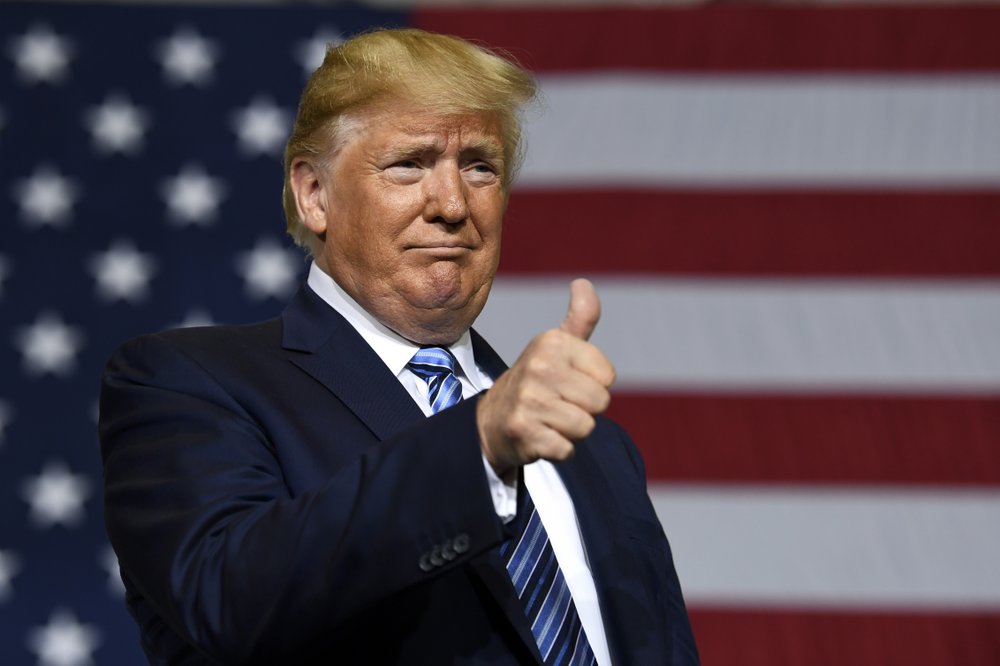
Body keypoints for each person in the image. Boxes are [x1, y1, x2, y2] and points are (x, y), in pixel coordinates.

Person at [99, 28, 699, 665]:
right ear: (314, 195)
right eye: (409, 163)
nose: (451, 204)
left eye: (480, 166)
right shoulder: (185, 384)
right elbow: (228, 596)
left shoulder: (592, 445)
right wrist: (479, 447)